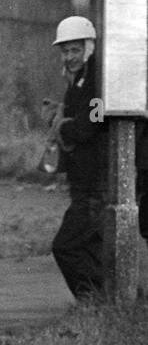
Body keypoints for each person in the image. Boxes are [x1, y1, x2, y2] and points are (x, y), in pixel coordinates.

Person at [49, 15, 107, 300]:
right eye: (65, 50)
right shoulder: (81, 79)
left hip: (95, 183)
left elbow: (90, 124)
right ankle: (100, 305)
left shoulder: (97, 79)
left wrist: (63, 125)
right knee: (88, 247)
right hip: (86, 182)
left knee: (66, 246)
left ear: (89, 47)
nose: (70, 56)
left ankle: (93, 302)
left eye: (75, 50)